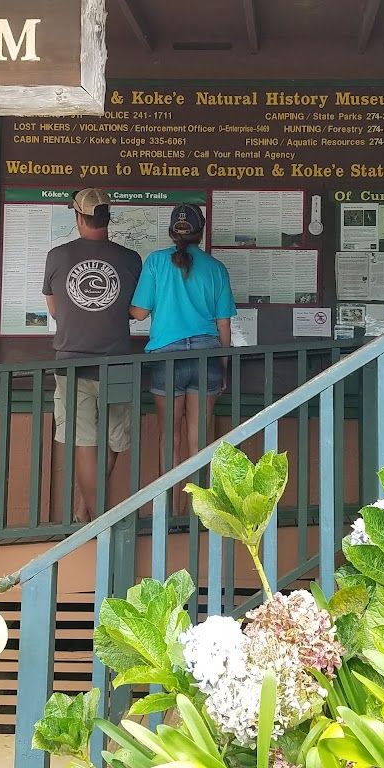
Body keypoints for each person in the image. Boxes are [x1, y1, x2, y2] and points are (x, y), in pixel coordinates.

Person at [42, 188, 143, 523]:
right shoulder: (130, 259)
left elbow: (55, 311)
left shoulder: (57, 257)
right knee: (115, 440)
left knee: (84, 441)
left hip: (71, 363)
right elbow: (134, 310)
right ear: (108, 217)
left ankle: (94, 517)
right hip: (118, 362)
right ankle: (94, 513)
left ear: (77, 216)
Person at [130, 204, 235, 506]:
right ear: (201, 233)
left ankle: (170, 509)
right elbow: (224, 324)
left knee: (169, 436)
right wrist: (223, 367)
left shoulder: (155, 262)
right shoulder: (216, 268)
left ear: (170, 232)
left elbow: (138, 313)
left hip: (166, 358)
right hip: (207, 357)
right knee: (199, 438)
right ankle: (198, 509)